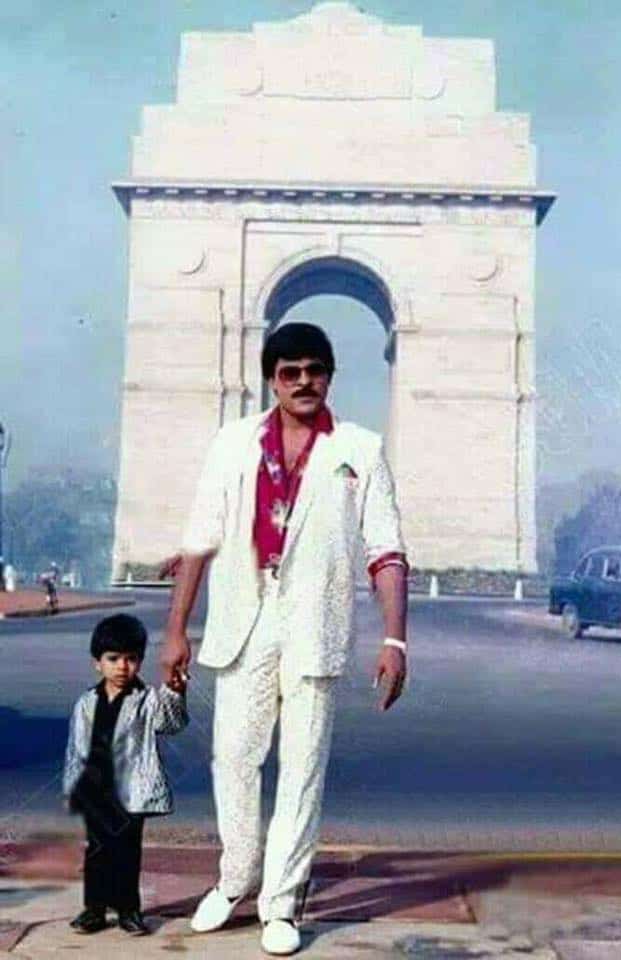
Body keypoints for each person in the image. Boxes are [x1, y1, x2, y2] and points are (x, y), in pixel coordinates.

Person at [161, 322, 408, 956]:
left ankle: (282, 902)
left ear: (329, 376)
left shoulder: (360, 447)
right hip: (245, 617)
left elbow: (386, 550)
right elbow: (198, 540)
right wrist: (175, 633)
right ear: (271, 378)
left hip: (315, 625)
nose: (303, 382)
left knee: (301, 770)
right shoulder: (232, 443)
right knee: (234, 760)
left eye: (315, 371)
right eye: (290, 372)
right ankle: (236, 877)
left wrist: (395, 641)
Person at [63, 613, 189, 936]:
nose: (122, 667)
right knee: (96, 850)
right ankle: (94, 909)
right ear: (97, 663)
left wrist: (175, 692)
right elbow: (76, 749)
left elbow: (172, 723)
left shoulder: (147, 700)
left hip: (132, 790)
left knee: (127, 851)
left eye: (131, 659)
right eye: (113, 658)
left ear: (140, 662)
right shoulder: (86, 703)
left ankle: (128, 910)